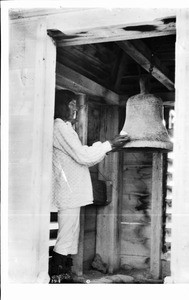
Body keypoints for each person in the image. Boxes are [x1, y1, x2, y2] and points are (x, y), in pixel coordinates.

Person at [49, 89, 129, 283]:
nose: (74, 108)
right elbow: (83, 156)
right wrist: (109, 144)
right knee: (67, 233)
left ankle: (64, 274)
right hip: (67, 190)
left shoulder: (65, 128)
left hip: (70, 190)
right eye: (70, 104)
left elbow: (82, 155)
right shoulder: (59, 127)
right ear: (61, 106)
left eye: (75, 104)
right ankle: (57, 276)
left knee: (70, 233)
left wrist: (106, 147)